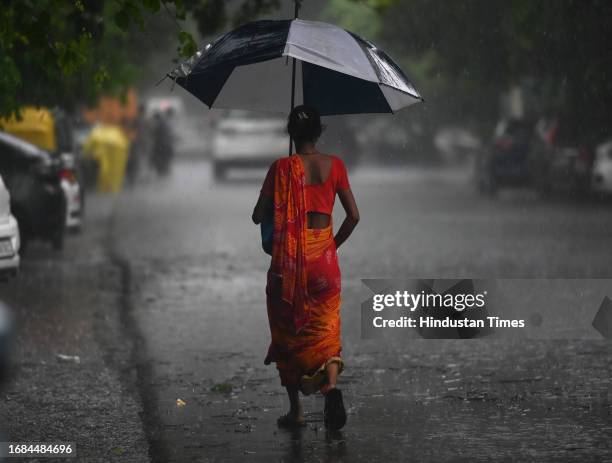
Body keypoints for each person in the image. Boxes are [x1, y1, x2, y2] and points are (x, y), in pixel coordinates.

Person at [252, 105, 360, 430]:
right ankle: (331, 386)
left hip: (288, 262)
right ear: (319, 132)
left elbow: (258, 215)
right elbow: (354, 215)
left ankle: (296, 410)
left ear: (291, 134)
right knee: (326, 328)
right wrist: (330, 246)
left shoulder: (280, 168)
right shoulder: (336, 165)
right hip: (325, 262)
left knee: (288, 331)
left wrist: (283, 193)